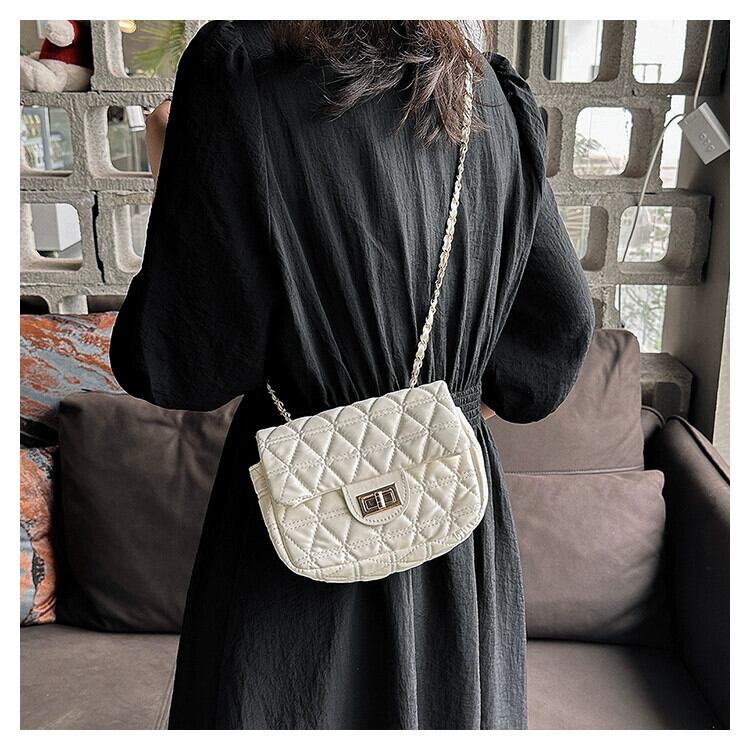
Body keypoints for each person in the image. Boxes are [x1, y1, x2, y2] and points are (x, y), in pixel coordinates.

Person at [110, 20, 595, 730]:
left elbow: (179, 365)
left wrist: (171, 159)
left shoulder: (240, 73)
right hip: (452, 532)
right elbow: (553, 341)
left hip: (299, 522)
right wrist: (438, 404)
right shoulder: (487, 90)